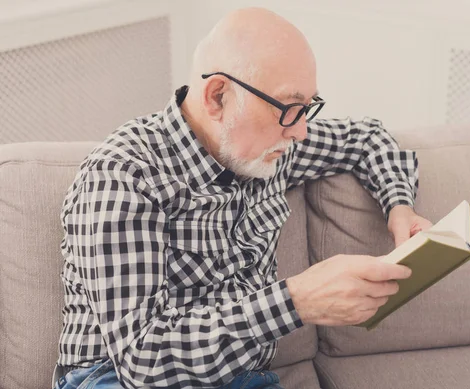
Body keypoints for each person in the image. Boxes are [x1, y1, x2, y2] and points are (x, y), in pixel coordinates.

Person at [53, 7, 432, 389]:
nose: (301, 130)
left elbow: (367, 138)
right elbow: (142, 361)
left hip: (238, 378)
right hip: (112, 379)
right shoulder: (123, 175)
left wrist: (399, 207)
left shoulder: (271, 148)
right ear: (218, 96)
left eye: (308, 107)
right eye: (288, 107)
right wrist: (297, 299)